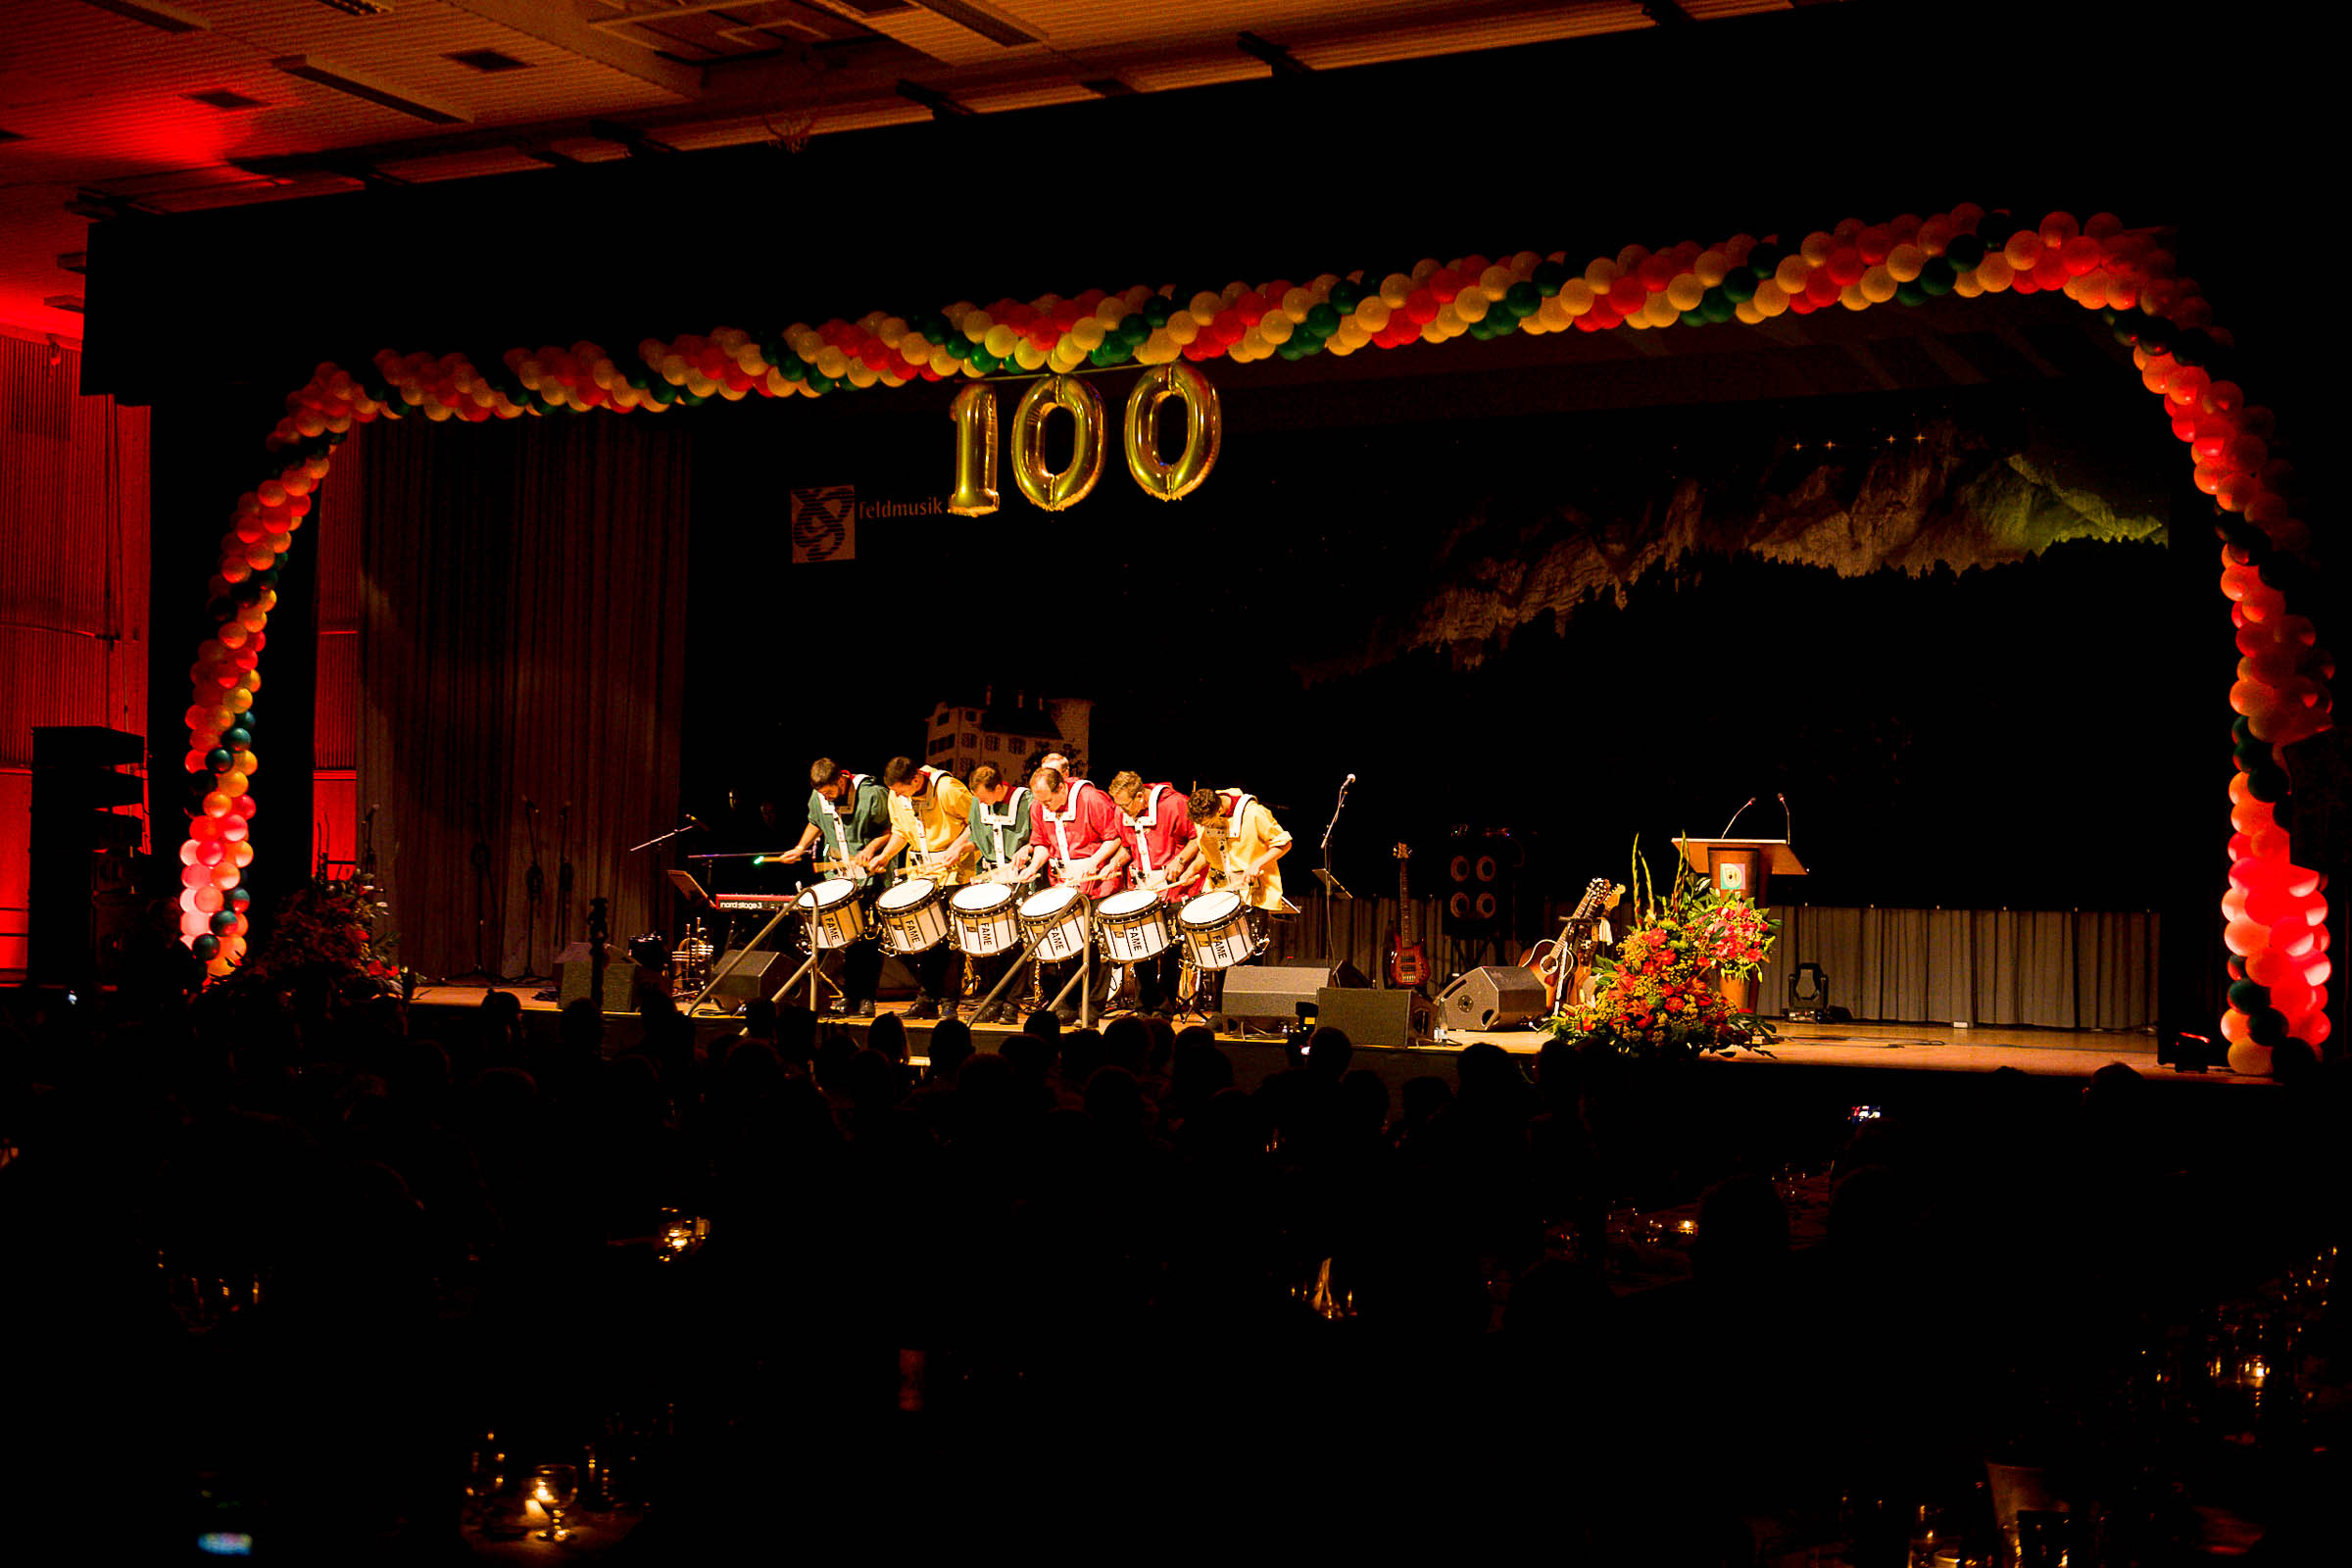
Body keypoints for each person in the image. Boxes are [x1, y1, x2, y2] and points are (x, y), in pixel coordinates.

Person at [857, 757, 978, 1021]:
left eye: (901, 789)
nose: (897, 794)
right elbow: (901, 831)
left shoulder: (947, 789)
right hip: (920, 873)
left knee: (948, 943)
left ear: (916, 779)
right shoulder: (896, 795)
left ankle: (948, 1002)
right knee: (923, 942)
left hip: (952, 875)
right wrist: (886, 856)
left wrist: (958, 847)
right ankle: (927, 998)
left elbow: (977, 821)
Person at [1010, 766, 1128, 1023]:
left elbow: (1115, 837)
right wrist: (1033, 867)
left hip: (1097, 885)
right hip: (1063, 884)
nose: (1046, 807)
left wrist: (1094, 861)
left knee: (1097, 950)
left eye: (1049, 800)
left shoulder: (1091, 799)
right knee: (1068, 946)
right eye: (1041, 802)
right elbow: (1042, 842)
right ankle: (1069, 1004)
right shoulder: (1040, 806)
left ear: (1062, 788)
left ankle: (1092, 1009)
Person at [775, 758, 893, 1016]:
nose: (826, 797)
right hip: (840, 877)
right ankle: (849, 995)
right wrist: (800, 848)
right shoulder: (819, 799)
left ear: (841, 780)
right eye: (822, 793)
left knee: (868, 940)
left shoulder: (872, 794)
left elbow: (891, 830)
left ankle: (867, 998)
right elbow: (816, 822)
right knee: (846, 940)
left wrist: (871, 848)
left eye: (829, 791)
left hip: (870, 875)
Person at [1107, 770, 1200, 1017]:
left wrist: (1179, 861)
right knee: (1141, 949)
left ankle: (1165, 1008)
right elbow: (1127, 848)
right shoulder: (1122, 811)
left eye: (1127, 805)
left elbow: (1197, 839)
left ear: (1140, 796)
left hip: (1173, 888)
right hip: (1142, 889)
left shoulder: (1175, 804)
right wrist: (1113, 863)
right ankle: (1143, 1006)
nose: (1124, 812)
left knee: (1170, 951)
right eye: (1120, 806)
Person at [962, 763, 1034, 1023]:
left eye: (984, 796)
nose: (980, 802)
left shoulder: (1026, 800)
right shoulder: (977, 803)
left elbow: (1039, 834)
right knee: (990, 943)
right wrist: (957, 847)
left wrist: (1028, 848)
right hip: (991, 879)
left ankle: (1012, 1004)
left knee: (1015, 944)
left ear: (1000, 788)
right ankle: (993, 999)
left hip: (1019, 879)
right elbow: (975, 833)